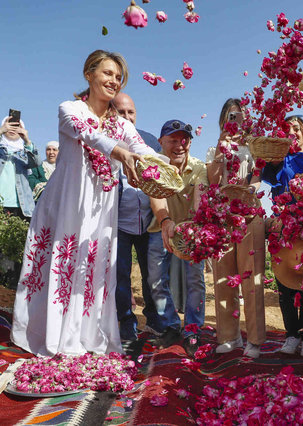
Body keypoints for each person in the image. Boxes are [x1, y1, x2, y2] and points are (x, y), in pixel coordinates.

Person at [11, 49, 155, 356]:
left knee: (91, 271)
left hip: (100, 212)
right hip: (64, 206)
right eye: (107, 73)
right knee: (60, 268)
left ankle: (85, 338)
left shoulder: (122, 125)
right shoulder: (69, 109)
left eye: (119, 77)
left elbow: (145, 152)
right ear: (88, 74)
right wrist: (121, 153)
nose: (113, 81)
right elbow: (88, 135)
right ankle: (49, 336)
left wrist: (177, 166)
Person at [206, 98, 266, 359]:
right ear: (223, 120)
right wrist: (222, 146)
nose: (236, 121)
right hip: (222, 217)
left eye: (239, 116)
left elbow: (259, 177)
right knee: (223, 277)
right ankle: (230, 336)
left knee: (252, 279)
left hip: (250, 215)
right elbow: (213, 180)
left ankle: (254, 338)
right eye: (230, 117)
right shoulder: (213, 150)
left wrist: (247, 191)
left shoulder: (255, 148)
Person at [147, 119, 208, 357]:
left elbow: (200, 198)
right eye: (173, 140)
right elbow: (156, 196)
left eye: (184, 140)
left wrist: (192, 225)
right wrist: (165, 221)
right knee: (155, 280)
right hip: (160, 227)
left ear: (190, 142)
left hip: (191, 230)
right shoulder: (155, 165)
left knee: (195, 279)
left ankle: (193, 329)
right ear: (161, 142)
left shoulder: (198, 166)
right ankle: (171, 326)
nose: (179, 145)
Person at [261, 115, 303, 357]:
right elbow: (268, 177)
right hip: (282, 231)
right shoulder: (277, 164)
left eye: (297, 129)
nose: (292, 132)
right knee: (284, 286)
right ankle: (291, 335)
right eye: (286, 130)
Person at [111, 92, 163, 351]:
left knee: (151, 275)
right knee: (120, 275)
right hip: (117, 222)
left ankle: (153, 320)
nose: (127, 117)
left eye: (131, 112)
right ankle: (126, 324)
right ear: (112, 113)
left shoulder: (149, 141)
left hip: (148, 221)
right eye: (121, 112)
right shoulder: (105, 141)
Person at [0, 116, 41, 219]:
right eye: (10, 125)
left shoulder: (24, 152)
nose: (13, 129)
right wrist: (1, 131)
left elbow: (37, 162)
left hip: (21, 207)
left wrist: (27, 140)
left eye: (17, 126)